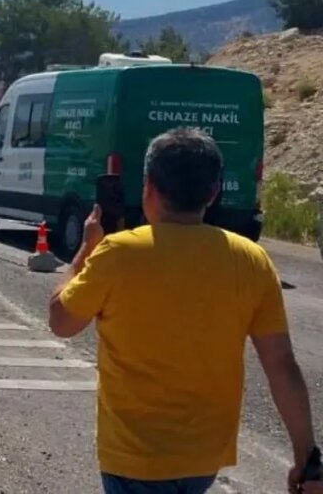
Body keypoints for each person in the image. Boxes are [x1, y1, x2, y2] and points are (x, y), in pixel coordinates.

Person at [48, 128, 322, 494]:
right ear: (213, 192)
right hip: (203, 461)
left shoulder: (117, 252)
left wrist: (84, 251)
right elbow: (281, 365)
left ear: (148, 186)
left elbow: (61, 322)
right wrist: (307, 456)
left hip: (134, 459)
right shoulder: (250, 259)